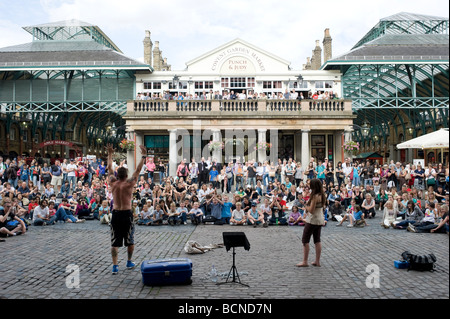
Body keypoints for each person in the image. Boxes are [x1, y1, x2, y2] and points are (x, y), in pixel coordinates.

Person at [107, 143, 147, 275]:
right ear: (126, 175)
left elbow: (109, 168)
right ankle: (129, 261)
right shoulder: (129, 183)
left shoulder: (113, 182)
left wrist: (110, 154)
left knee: (115, 241)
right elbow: (138, 170)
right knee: (130, 239)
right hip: (126, 214)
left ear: (117, 175)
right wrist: (143, 156)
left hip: (116, 214)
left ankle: (115, 266)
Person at [296, 178, 326, 267]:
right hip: (320, 219)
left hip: (312, 220)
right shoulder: (322, 195)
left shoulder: (315, 196)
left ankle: (305, 261)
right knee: (317, 240)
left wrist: (305, 205)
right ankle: (317, 261)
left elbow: (311, 210)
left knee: (305, 240)